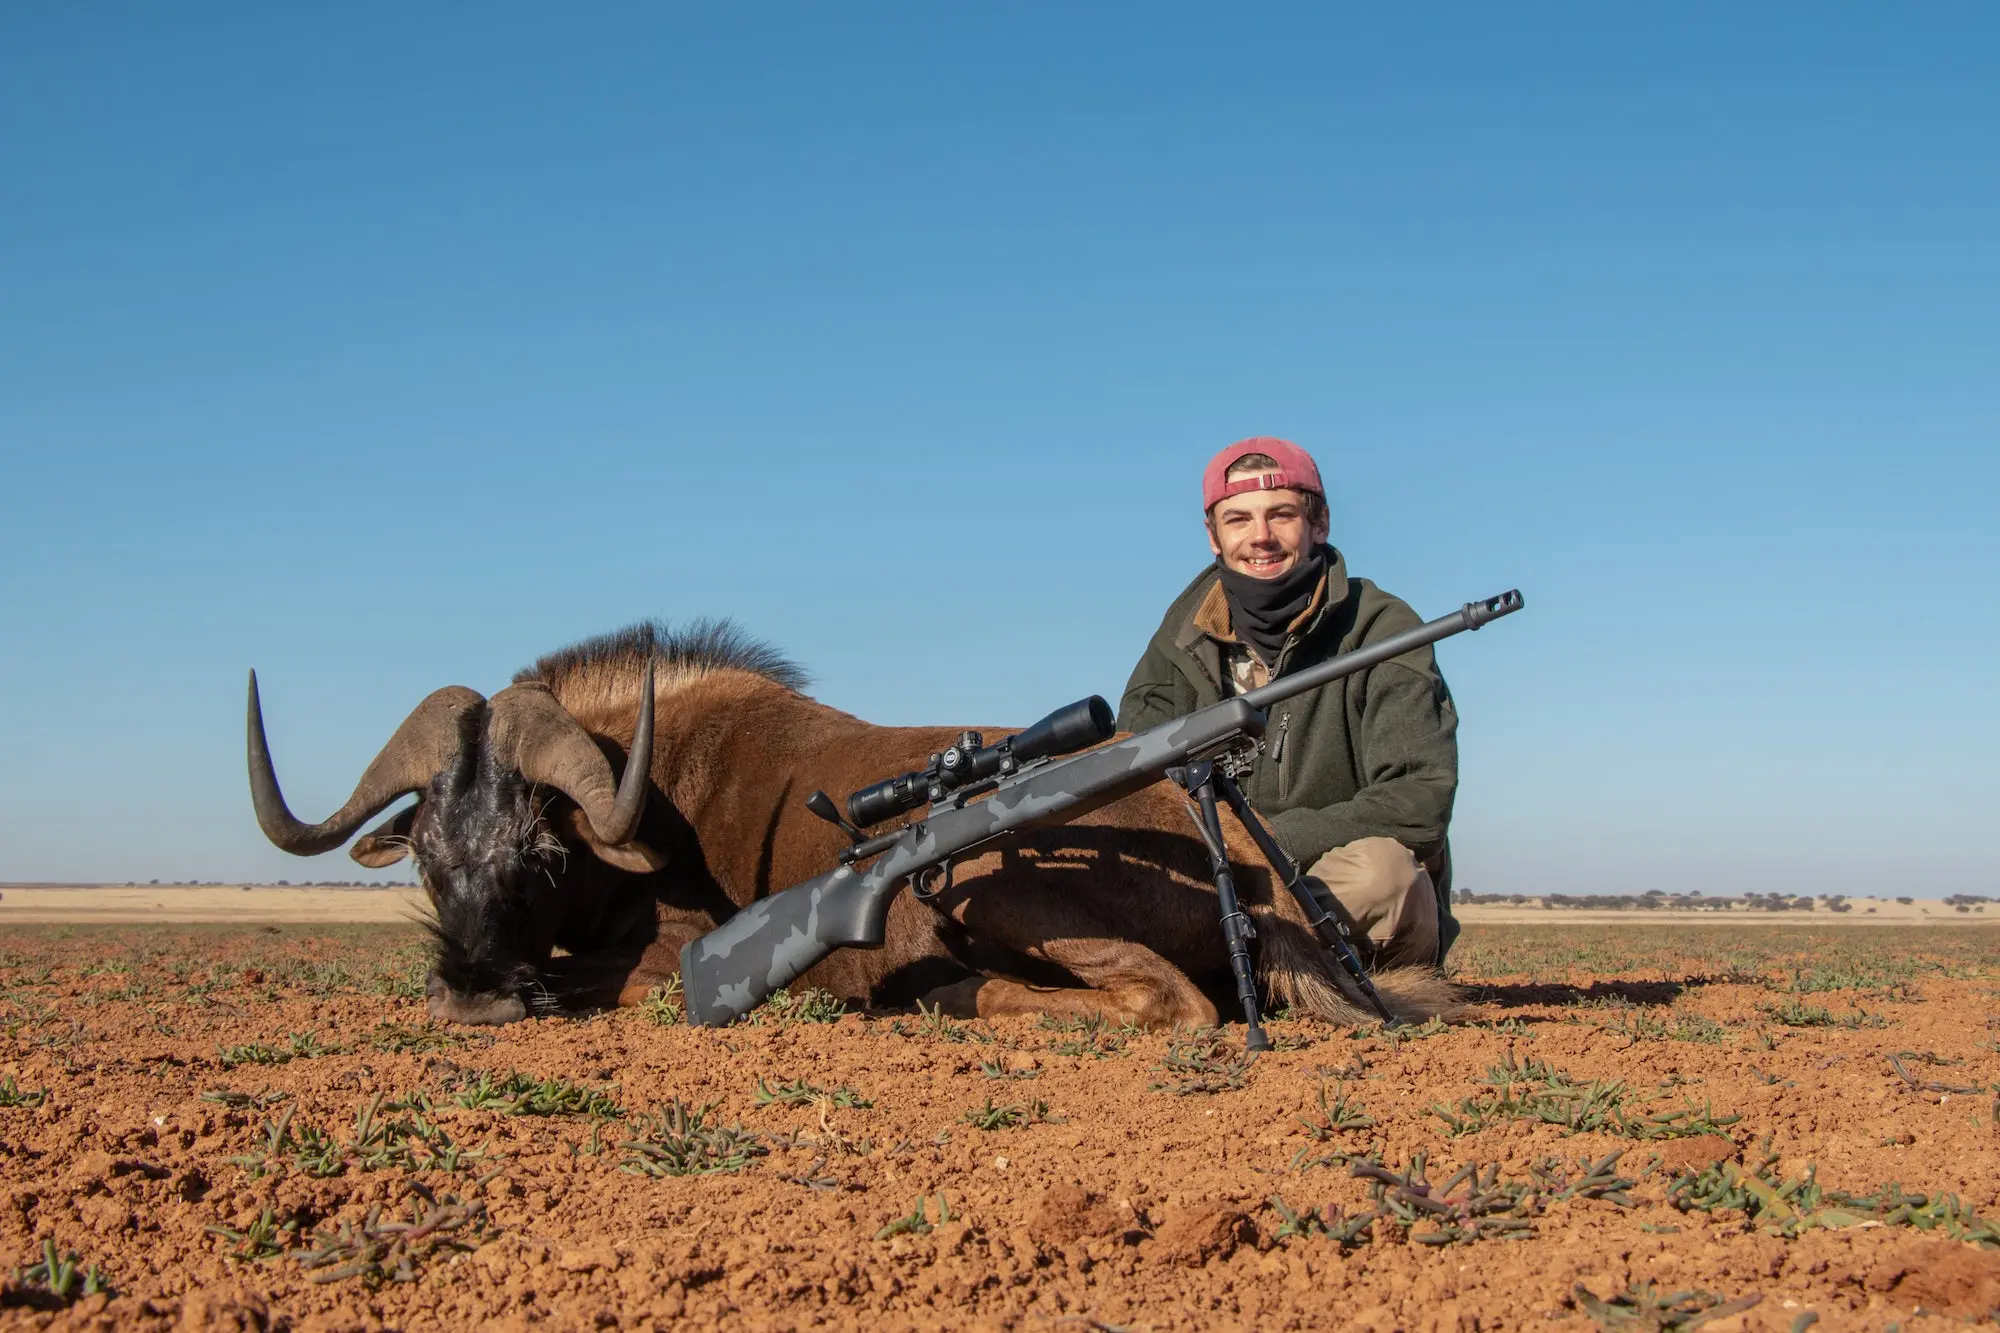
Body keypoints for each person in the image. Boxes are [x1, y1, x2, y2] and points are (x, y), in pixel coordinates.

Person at [1116, 438, 1459, 967]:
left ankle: (1231, 970)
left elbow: (1418, 801)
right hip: (1218, 884)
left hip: (1326, 887)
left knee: (1383, 875)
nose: (1261, 538)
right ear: (1213, 536)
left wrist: (1261, 847)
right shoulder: (1176, 642)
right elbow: (1134, 787)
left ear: (1319, 524)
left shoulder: (1384, 627)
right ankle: (1233, 968)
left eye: (1281, 515)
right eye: (1238, 520)